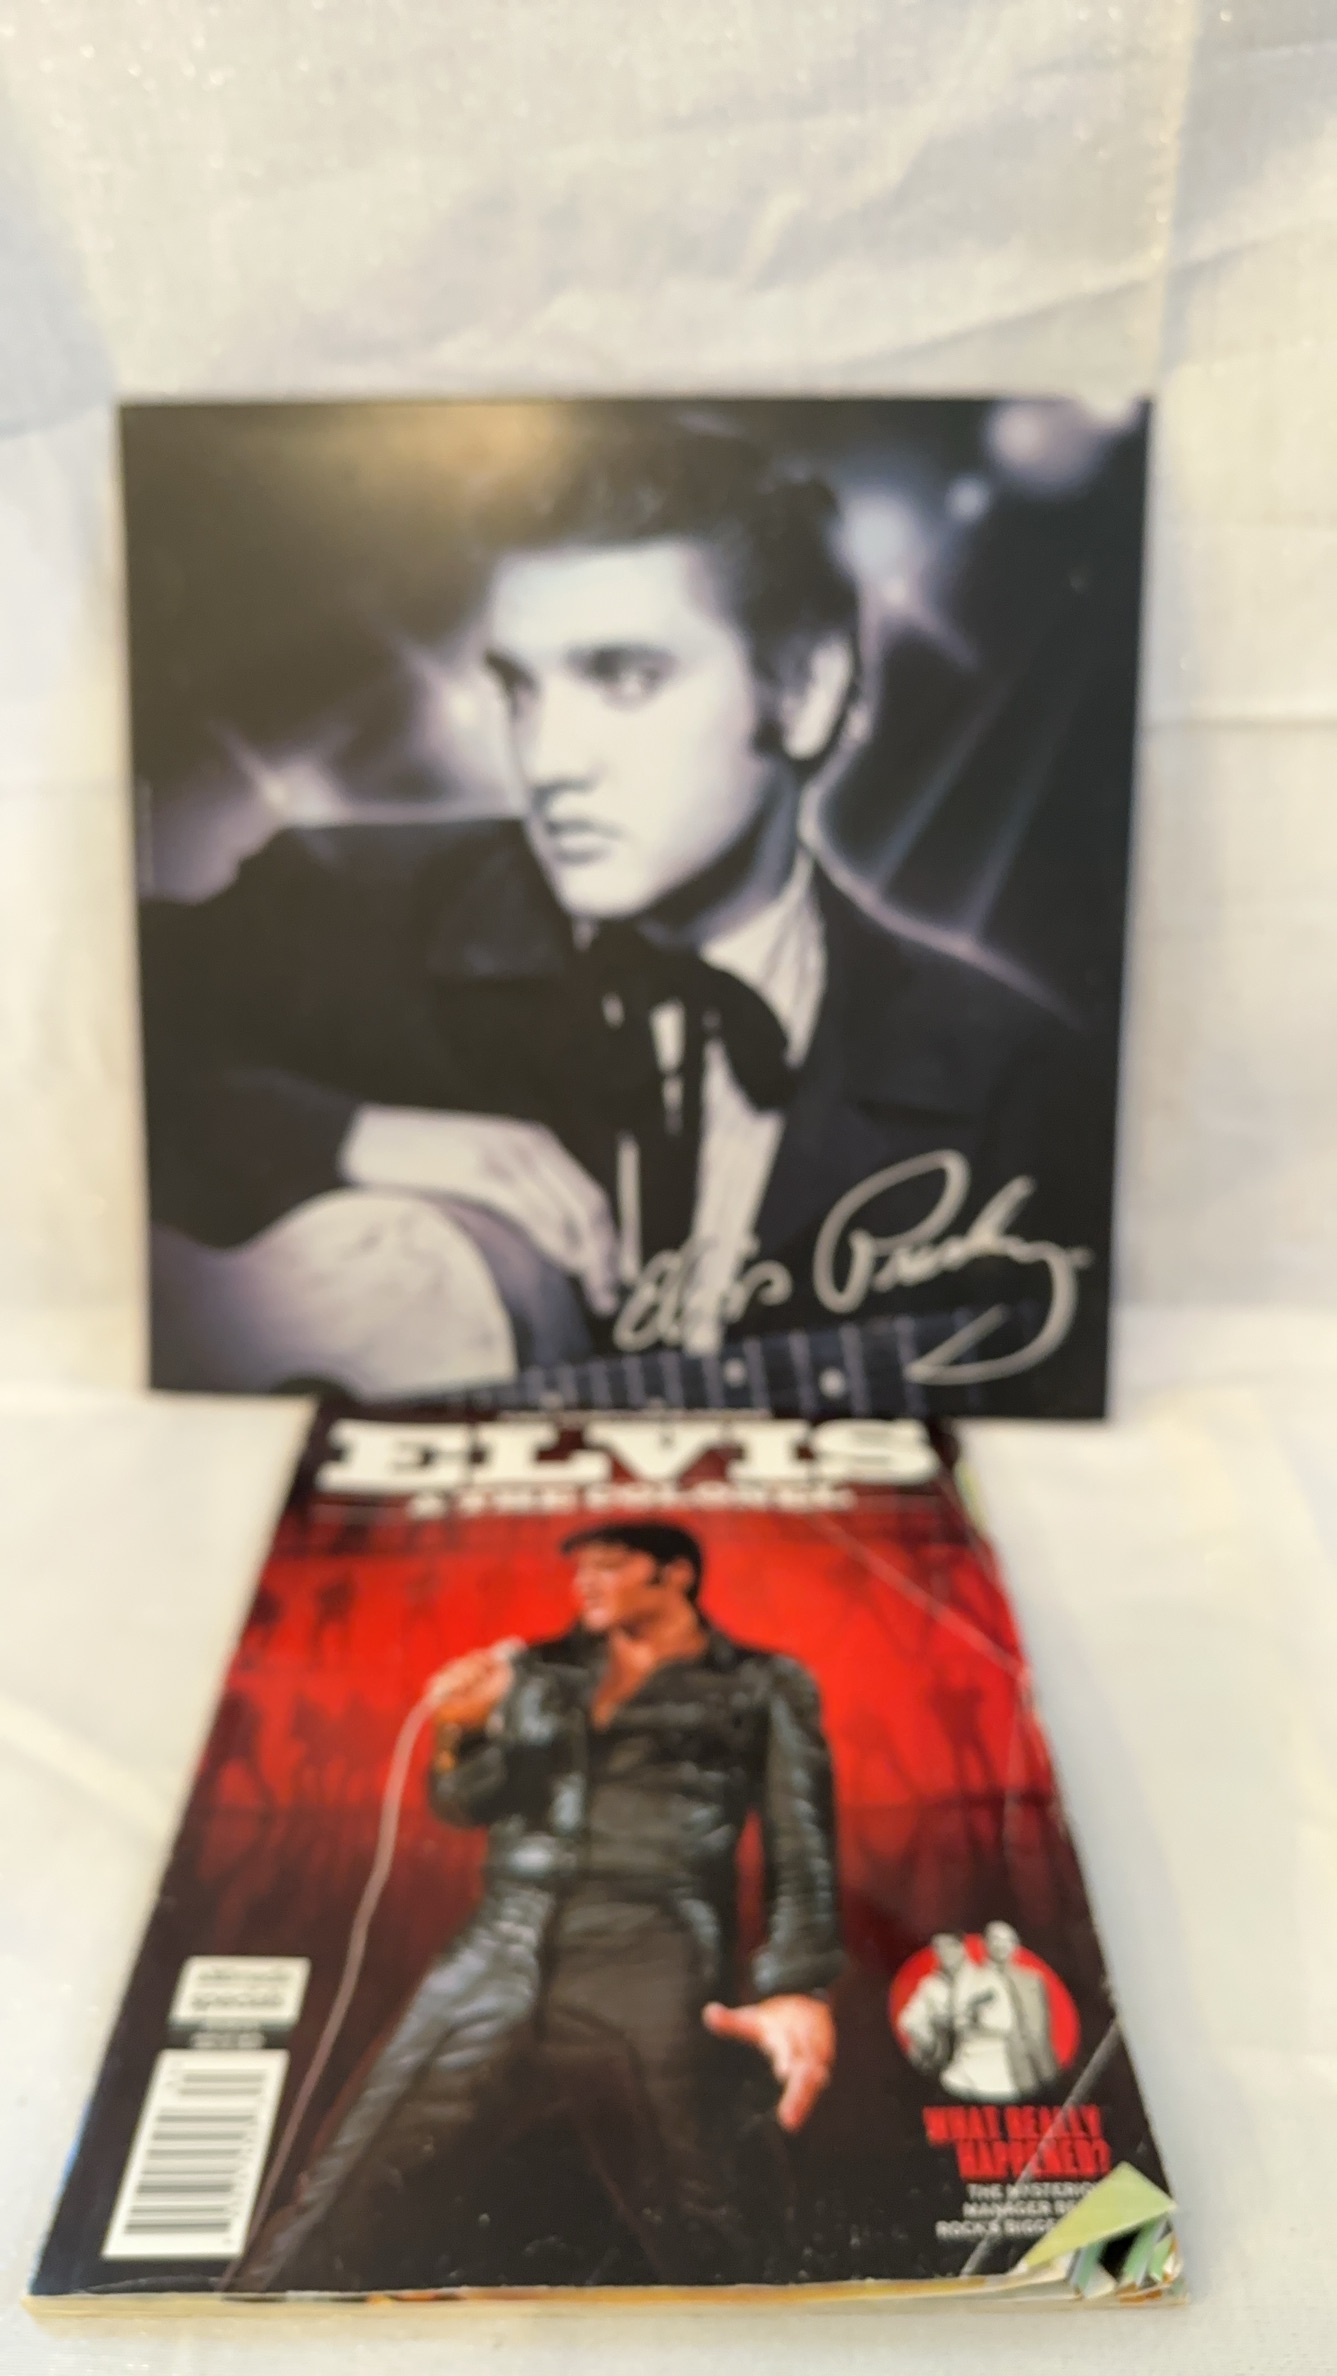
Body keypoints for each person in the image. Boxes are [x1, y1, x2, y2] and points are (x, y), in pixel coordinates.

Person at [143, 411, 1101, 1404]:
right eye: (519, 690)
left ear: (807, 691)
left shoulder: (1012, 1086)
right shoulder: (345, 903)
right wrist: (344, 1136)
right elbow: (79, 1051)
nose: (547, 760)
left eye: (625, 678)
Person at [237, 1521, 841, 2291]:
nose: (585, 1581)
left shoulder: (762, 1682)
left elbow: (802, 1836)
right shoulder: (537, 1669)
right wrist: (462, 1732)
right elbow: (465, 1802)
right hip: (501, 1935)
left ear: (675, 1575)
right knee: (345, 2188)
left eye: (610, 1565)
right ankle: (234, 2331)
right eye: (580, 1568)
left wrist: (797, 1984)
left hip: (649, 1942)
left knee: (704, 2205)